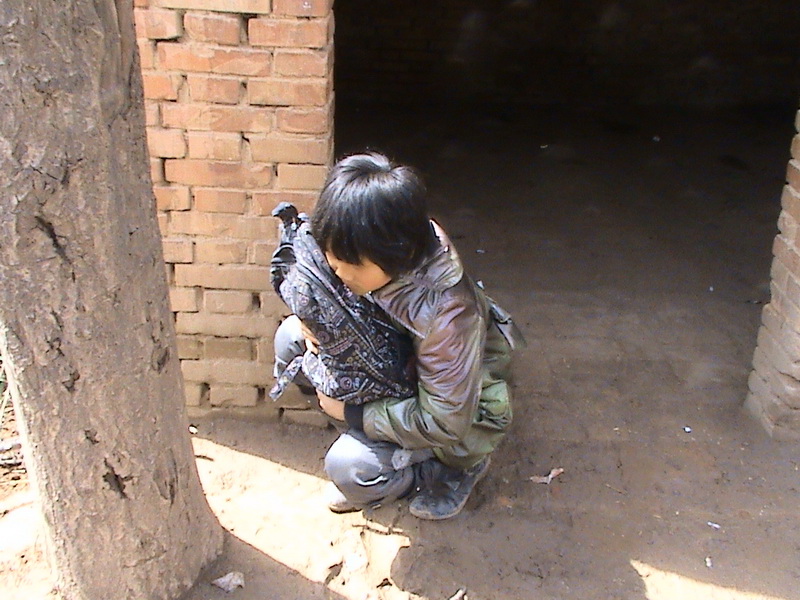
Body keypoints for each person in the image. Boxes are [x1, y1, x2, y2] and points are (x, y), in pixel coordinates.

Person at [273, 152, 520, 520]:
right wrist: (315, 322)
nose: (339, 274)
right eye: (333, 261)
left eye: (349, 265)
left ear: (391, 254)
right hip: (402, 372)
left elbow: (445, 421)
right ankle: (376, 452)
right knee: (292, 339)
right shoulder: (383, 241)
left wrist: (354, 413)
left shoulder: (447, 316)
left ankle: (447, 471)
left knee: (350, 468)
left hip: (461, 419)